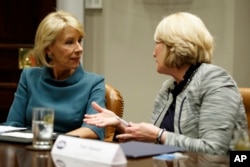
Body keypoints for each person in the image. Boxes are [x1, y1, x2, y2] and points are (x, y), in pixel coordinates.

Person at [84, 12, 248, 154]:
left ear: (174, 45)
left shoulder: (215, 80)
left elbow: (215, 150)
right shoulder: (169, 87)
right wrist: (121, 124)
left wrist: (159, 135)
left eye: (157, 44)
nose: (153, 53)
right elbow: (156, 141)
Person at [3, 10, 105, 140]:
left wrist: (52, 141)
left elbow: (93, 130)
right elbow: (12, 125)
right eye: (70, 42)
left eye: (80, 40)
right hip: (29, 152)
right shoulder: (29, 77)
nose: (79, 48)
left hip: (68, 153)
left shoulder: (94, 83)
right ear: (48, 49)